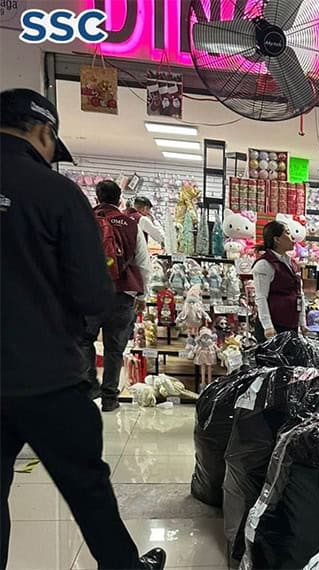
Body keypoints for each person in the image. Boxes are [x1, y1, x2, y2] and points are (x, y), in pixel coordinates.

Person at [0, 88, 165, 570]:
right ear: (43, 132)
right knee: (87, 489)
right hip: (46, 374)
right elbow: (95, 293)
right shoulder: (56, 193)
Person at [79, 180, 152, 412]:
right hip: (122, 293)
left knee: (84, 340)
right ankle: (110, 398)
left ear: (97, 197)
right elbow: (143, 262)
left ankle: (90, 385)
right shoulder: (132, 224)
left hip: (90, 292)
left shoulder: (84, 219)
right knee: (114, 348)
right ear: (120, 199)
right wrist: (142, 295)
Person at [252, 219, 307, 342]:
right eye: (287, 233)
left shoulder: (292, 263)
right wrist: (268, 327)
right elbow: (261, 297)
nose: (292, 237)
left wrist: (302, 321)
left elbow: (300, 294)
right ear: (276, 239)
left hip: (291, 324)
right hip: (274, 326)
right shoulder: (264, 264)